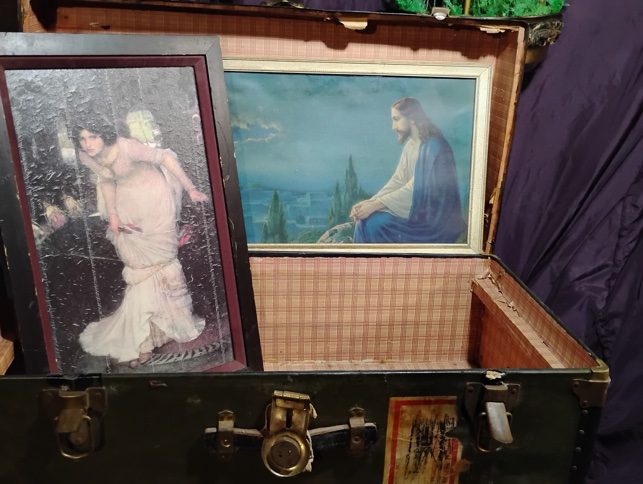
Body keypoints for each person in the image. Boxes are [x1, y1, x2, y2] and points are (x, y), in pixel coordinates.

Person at [72, 115, 209, 368]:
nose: (87, 143)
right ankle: (146, 335)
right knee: (137, 266)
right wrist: (114, 215)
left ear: (104, 135)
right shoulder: (88, 156)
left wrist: (190, 188)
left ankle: (147, 339)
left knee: (159, 263)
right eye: (82, 139)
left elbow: (165, 158)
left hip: (155, 200)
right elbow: (106, 181)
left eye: (93, 136)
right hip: (127, 203)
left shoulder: (126, 146)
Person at [350, 97, 466, 243]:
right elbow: (398, 180)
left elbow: (417, 188)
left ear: (412, 118)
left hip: (434, 225)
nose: (393, 126)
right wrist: (369, 203)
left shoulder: (434, 147)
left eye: (396, 119)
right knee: (364, 221)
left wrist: (376, 205)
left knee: (374, 224)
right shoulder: (411, 145)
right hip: (417, 215)